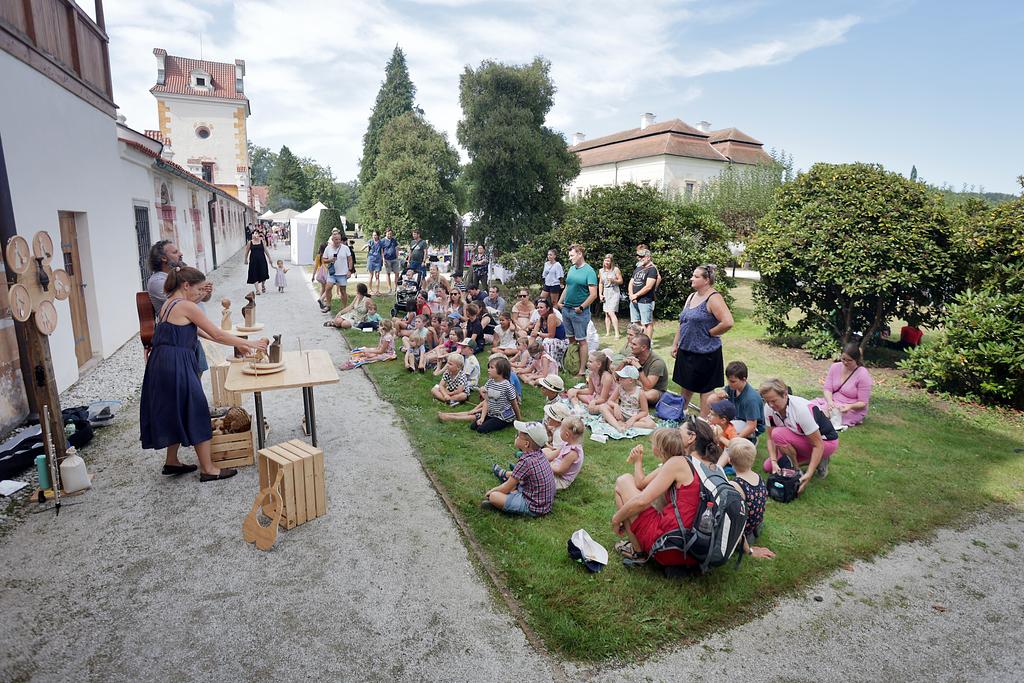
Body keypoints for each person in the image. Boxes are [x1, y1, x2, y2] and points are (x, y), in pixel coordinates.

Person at [140, 267, 267, 481]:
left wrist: (240, 345)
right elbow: (216, 333)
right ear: (186, 286)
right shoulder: (186, 306)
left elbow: (199, 331)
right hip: (177, 364)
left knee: (175, 409)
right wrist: (251, 343)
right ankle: (209, 469)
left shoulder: (169, 304)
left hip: (161, 362)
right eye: (198, 289)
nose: (201, 294)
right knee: (196, 408)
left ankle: (171, 461)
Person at [611, 427, 700, 566]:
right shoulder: (686, 461)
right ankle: (637, 548)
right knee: (628, 494)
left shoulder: (673, 465)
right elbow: (641, 485)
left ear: (659, 449)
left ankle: (638, 552)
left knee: (623, 481)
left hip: (668, 544)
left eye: (652, 443)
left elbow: (641, 501)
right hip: (690, 545)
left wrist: (616, 519)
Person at [670, 264, 734, 417]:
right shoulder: (692, 296)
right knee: (686, 384)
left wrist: (710, 332)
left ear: (706, 280)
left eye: (696, 276)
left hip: (706, 353)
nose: (691, 278)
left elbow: (728, 322)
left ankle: (703, 420)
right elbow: (683, 322)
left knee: (705, 388)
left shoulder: (714, 298)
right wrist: (675, 343)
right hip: (687, 349)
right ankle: (681, 412)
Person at [760, 378, 839, 492]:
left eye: (774, 401)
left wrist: (809, 474)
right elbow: (770, 439)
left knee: (777, 434)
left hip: (826, 442)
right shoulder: (768, 408)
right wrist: (773, 462)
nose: (770, 405)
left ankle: (797, 471)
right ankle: (814, 461)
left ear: (785, 394)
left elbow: (818, 445)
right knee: (768, 467)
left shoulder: (801, 410)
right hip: (803, 438)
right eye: (767, 401)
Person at [483, 420, 556, 517]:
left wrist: (491, 491)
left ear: (526, 444)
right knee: (515, 482)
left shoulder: (526, 462)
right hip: (544, 502)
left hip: (534, 507)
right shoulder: (540, 453)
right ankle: (509, 486)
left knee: (494, 496)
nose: (516, 437)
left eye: (518, 436)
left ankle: (502, 502)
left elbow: (506, 488)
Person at [719, 438, 774, 559]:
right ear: (753, 459)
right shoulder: (758, 477)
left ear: (730, 460)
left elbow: (735, 521)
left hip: (742, 536)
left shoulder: (735, 485)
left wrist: (749, 551)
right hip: (754, 528)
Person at [438, 356, 521, 432]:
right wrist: (482, 418)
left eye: (491, 368)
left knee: (481, 429)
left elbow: (514, 404)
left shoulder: (507, 386)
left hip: (503, 417)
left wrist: (518, 420)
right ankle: (448, 415)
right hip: (492, 413)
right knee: (473, 426)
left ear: (501, 371)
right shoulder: (490, 382)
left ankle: (508, 423)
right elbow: (487, 401)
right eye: (489, 367)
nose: (488, 370)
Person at [557, 244, 599, 378]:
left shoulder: (589, 271)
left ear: (580, 254)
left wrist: (581, 307)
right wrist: (559, 302)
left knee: (582, 341)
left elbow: (593, 294)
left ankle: (581, 371)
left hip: (579, 312)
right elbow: (567, 287)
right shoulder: (571, 269)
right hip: (567, 310)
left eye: (572, 255)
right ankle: (572, 365)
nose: (570, 258)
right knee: (571, 340)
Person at [809, 343, 873, 427]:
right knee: (809, 406)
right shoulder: (835, 367)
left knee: (830, 414)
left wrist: (850, 406)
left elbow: (863, 403)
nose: (845, 362)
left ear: (856, 360)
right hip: (832, 402)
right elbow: (827, 389)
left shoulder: (862, 374)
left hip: (850, 408)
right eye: (843, 359)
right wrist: (830, 401)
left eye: (849, 360)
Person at [713, 361, 765, 443]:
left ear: (744, 379)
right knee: (715, 425)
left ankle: (749, 441)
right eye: (728, 380)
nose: (729, 384)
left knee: (726, 430)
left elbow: (751, 426)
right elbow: (712, 401)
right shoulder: (732, 388)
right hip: (736, 420)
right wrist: (719, 395)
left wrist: (735, 440)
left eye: (733, 381)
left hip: (750, 427)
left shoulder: (751, 399)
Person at [599, 365, 656, 432]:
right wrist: (615, 406)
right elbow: (610, 401)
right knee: (602, 407)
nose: (619, 379)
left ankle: (624, 424)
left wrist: (634, 418)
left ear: (631, 380)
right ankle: (618, 426)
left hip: (635, 415)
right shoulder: (620, 388)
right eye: (620, 377)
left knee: (651, 424)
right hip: (621, 414)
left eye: (622, 378)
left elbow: (645, 411)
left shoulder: (640, 392)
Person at [623, 334, 668, 405]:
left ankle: (626, 397)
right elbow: (616, 377)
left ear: (643, 347)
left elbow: (647, 387)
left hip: (653, 391)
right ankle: (630, 397)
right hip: (636, 387)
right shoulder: (634, 355)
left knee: (649, 395)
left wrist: (639, 368)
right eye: (631, 343)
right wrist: (623, 363)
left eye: (634, 344)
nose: (630, 346)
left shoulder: (657, 363)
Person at [628, 248, 659, 338]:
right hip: (634, 300)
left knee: (647, 323)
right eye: (639, 257)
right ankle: (637, 341)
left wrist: (635, 295)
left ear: (648, 257)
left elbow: (648, 286)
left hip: (645, 300)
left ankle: (647, 342)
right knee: (635, 322)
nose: (640, 258)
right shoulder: (638, 268)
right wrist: (631, 295)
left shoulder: (652, 269)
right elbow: (631, 282)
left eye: (642, 256)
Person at [146, 240, 183, 314]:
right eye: (175, 252)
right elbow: (180, 304)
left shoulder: (179, 274)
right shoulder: (157, 281)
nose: (181, 254)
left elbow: (204, 298)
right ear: (164, 258)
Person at [320, 233, 354, 312]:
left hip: (343, 273)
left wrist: (349, 270)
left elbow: (350, 259)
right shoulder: (328, 248)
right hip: (332, 273)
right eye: (336, 239)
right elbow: (324, 260)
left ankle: (344, 308)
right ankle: (328, 305)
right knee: (328, 288)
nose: (338, 241)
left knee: (343, 291)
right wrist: (330, 260)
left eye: (339, 239)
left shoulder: (345, 248)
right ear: (332, 240)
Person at [530, 298, 568, 367]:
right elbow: (533, 334)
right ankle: (532, 363)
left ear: (548, 308)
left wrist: (538, 333)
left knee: (547, 341)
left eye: (541, 307)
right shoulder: (541, 319)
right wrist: (530, 346)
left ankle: (550, 365)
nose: (539, 309)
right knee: (530, 340)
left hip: (561, 342)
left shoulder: (551, 316)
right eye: (538, 307)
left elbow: (551, 335)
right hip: (551, 341)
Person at [599, 253, 623, 338]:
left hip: (614, 291)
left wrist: (614, 280)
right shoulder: (601, 271)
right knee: (607, 313)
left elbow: (621, 281)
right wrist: (600, 294)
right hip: (606, 292)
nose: (606, 262)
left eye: (608, 261)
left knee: (611, 312)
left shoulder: (615, 270)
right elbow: (601, 283)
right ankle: (608, 333)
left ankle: (617, 333)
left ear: (611, 262)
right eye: (605, 260)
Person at [244, 231, 273, 295]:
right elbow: (247, 252)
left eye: (258, 233)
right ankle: (257, 290)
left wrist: (269, 258)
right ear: (252, 235)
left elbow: (266, 250)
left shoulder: (262, 241)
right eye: (255, 233)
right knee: (254, 274)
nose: (257, 235)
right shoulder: (250, 242)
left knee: (264, 273)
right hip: (253, 261)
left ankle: (263, 285)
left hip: (262, 260)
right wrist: (245, 259)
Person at [381, 229, 400, 293]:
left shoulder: (394, 240)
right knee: (388, 273)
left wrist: (397, 257)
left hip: (394, 259)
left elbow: (396, 248)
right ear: (385, 233)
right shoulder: (382, 241)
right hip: (387, 259)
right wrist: (383, 259)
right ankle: (389, 288)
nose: (390, 235)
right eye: (388, 234)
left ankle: (396, 288)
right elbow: (381, 251)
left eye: (391, 234)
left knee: (397, 273)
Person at [365, 231, 384, 295]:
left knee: (377, 276)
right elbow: (367, 250)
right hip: (371, 259)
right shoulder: (370, 241)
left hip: (378, 260)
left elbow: (382, 252)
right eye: (373, 235)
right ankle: (370, 290)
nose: (374, 236)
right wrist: (365, 246)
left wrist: (383, 259)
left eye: (375, 235)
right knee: (371, 275)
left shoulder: (381, 242)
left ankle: (377, 291)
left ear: (378, 236)